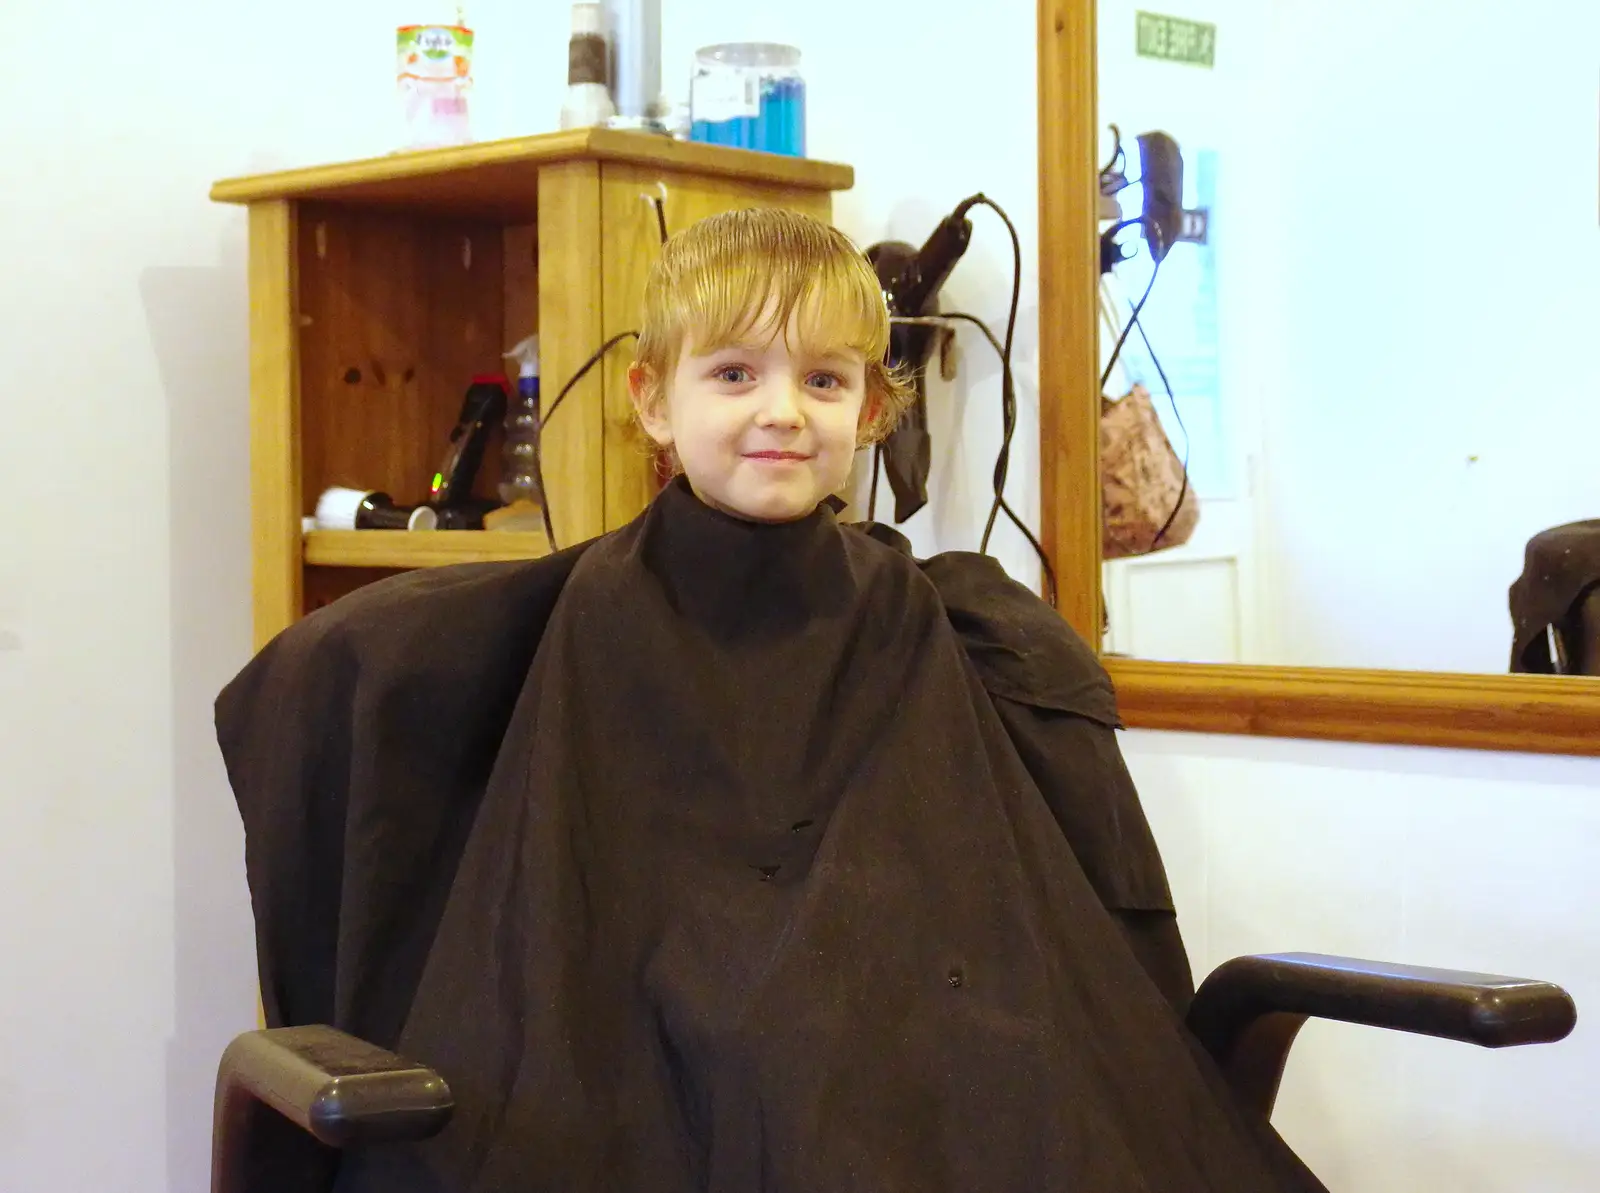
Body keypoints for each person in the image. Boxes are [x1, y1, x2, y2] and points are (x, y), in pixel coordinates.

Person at [216, 208, 1325, 1192]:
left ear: (873, 408)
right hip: (623, 1075)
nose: (782, 411)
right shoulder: (576, 622)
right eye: (735, 374)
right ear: (653, 401)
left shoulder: (941, 625)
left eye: (823, 379)